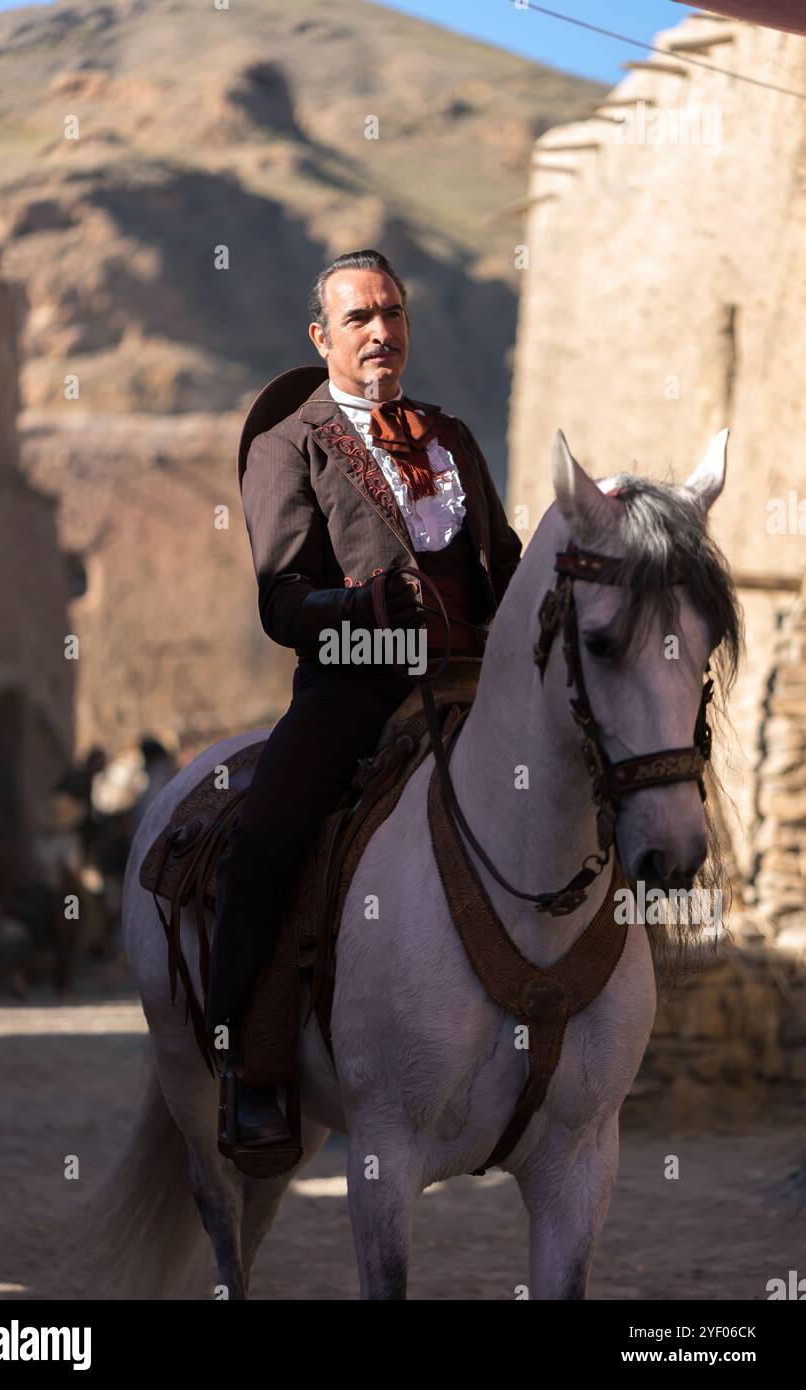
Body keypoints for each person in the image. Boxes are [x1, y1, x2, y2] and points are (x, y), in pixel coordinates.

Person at [205, 248, 522, 1145]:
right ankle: (249, 1063)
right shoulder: (289, 445)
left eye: (393, 313)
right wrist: (354, 606)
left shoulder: (451, 435)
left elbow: (499, 553)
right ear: (322, 337)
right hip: (356, 684)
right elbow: (279, 599)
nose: (382, 331)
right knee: (267, 838)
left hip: (478, 677)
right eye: (359, 318)